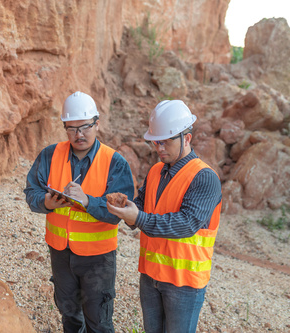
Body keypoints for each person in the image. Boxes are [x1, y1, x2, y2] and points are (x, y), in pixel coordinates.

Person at [107, 100, 222, 333]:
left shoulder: (204, 177)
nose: (159, 148)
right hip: (150, 277)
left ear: (186, 138)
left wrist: (137, 218)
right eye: (155, 141)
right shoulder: (155, 171)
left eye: (165, 141)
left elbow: (186, 223)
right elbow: (142, 207)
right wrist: (126, 208)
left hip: (184, 284)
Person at [24, 91, 135, 332]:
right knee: (70, 316)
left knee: (99, 322)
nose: (79, 134)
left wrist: (87, 201)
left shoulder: (115, 163)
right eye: (71, 128)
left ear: (97, 123)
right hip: (61, 254)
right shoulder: (50, 155)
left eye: (85, 127)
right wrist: (46, 202)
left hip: (98, 258)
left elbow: (120, 213)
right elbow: (30, 193)